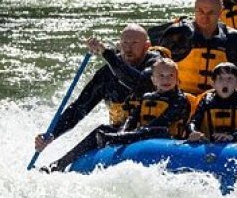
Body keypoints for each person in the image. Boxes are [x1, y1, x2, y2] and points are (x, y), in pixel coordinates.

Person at [40, 58, 192, 172]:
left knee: (158, 130)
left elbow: (162, 123)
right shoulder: (147, 97)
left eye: (171, 76)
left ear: (177, 79)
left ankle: (119, 138)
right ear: (153, 79)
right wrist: (122, 132)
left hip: (166, 139)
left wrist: (125, 137)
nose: (166, 80)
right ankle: (60, 164)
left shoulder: (180, 100)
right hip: (139, 136)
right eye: (161, 76)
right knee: (102, 130)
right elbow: (132, 119)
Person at [33, 24, 162, 154]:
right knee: (100, 132)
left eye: (134, 43)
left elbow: (138, 84)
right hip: (119, 131)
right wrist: (52, 134)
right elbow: (79, 108)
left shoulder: (158, 66)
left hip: (153, 130)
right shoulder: (106, 74)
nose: (128, 48)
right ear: (119, 44)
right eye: (125, 43)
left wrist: (106, 53)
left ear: (146, 46)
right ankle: (57, 166)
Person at [158, 0, 237, 105]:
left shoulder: (233, 39)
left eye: (210, 13)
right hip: (181, 99)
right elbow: (156, 66)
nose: (205, 17)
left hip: (217, 102)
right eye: (200, 11)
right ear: (194, 9)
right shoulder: (177, 34)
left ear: (220, 12)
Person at [187, 62, 237, 143]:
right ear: (213, 83)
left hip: (235, 146)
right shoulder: (205, 102)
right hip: (208, 145)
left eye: (230, 78)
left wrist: (231, 136)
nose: (225, 82)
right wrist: (194, 132)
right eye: (220, 78)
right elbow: (193, 122)